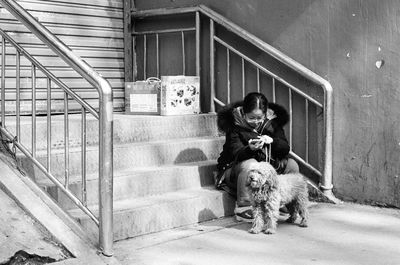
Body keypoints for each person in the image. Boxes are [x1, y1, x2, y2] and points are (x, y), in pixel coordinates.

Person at [216, 92, 299, 222]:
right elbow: (234, 153)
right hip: (237, 172)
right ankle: (244, 207)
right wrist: (249, 149)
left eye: (259, 118)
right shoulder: (234, 126)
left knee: (291, 165)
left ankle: (285, 202)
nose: (256, 122)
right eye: (251, 118)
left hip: (266, 172)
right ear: (244, 113)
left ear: (265, 114)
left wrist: (272, 141)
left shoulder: (272, 123)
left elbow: (285, 148)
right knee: (252, 164)